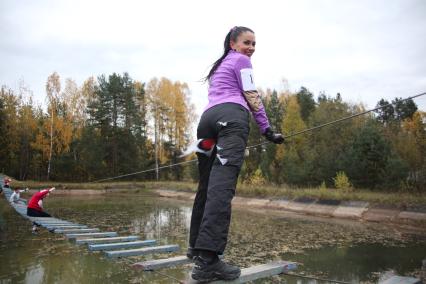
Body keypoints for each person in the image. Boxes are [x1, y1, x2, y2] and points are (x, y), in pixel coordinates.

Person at [188, 26, 284, 282]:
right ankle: (208, 261)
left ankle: (195, 249)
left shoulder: (220, 66)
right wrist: (266, 129)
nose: (251, 48)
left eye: (254, 44)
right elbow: (251, 95)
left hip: (206, 122)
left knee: (207, 186)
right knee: (221, 188)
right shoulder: (241, 61)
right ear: (233, 43)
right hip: (232, 119)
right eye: (246, 42)